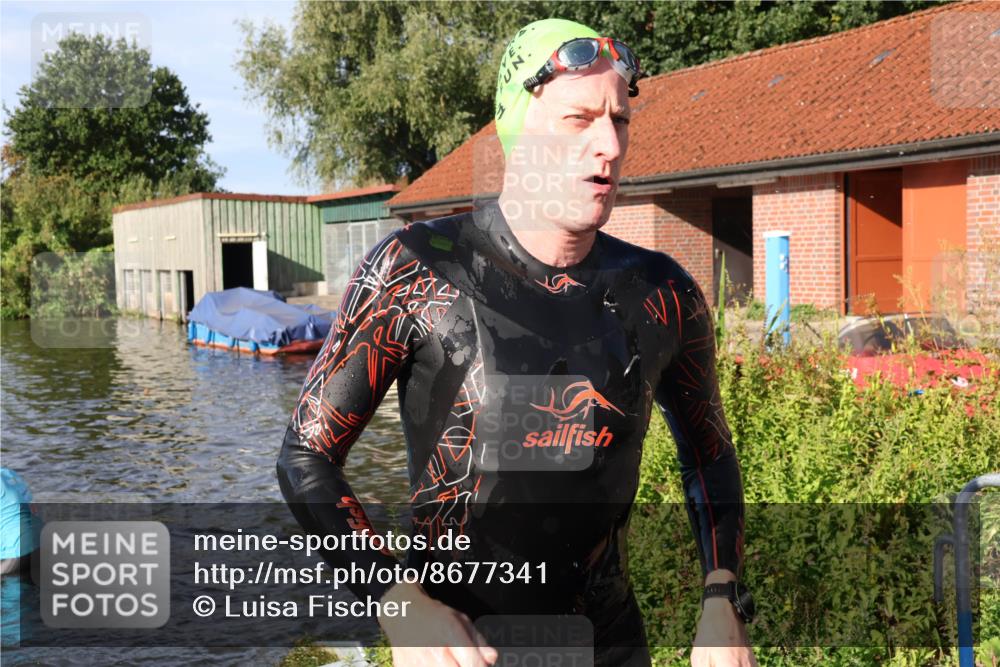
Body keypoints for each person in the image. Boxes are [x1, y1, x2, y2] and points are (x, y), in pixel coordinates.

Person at [277, 17, 755, 667]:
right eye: (579, 119)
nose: (608, 146)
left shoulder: (661, 292)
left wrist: (720, 598)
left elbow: (709, 454)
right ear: (516, 130)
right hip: (463, 649)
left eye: (619, 120)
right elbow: (306, 455)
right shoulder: (415, 269)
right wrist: (396, 599)